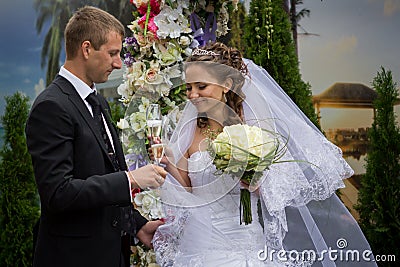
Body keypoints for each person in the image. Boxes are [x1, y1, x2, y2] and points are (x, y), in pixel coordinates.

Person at [152, 42, 377, 266]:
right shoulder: (190, 128)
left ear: (226, 84)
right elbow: (191, 190)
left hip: (243, 240)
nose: (193, 94)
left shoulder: (253, 126)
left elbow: (275, 192)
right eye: (189, 87)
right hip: (199, 243)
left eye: (201, 86)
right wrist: (170, 161)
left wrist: (249, 176)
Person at [25, 6, 167, 267]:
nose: (118, 63)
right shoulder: (51, 107)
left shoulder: (97, 101)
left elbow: (103, 170)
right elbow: (58, 193)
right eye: (112, 53)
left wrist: (138, 226)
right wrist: (130, 179)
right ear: (87, 49)